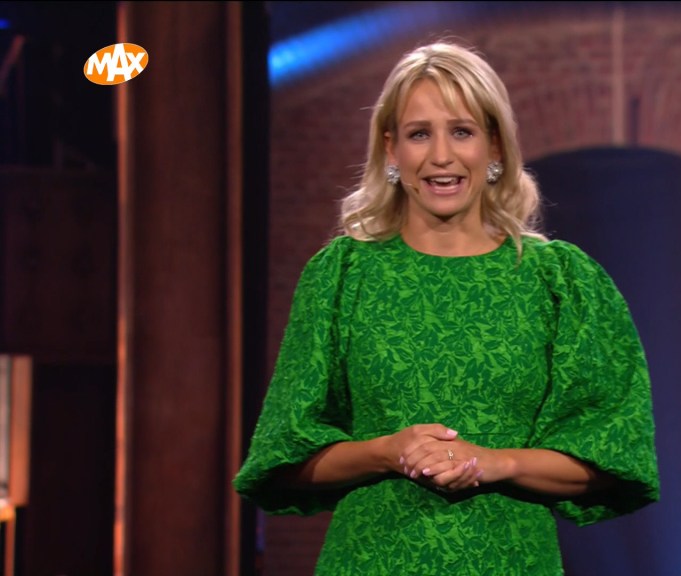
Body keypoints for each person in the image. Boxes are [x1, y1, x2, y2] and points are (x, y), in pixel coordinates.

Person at [233, 40, 659, 575]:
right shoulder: (342, 274)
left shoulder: (560, 281)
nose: (440, 156)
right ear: (391, 149)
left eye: (461, 131)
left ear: (495, 146)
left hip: (510, 561)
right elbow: (283, 459)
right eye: (419, 134)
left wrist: (495, 462)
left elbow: (612, 454)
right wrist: (388, 451)